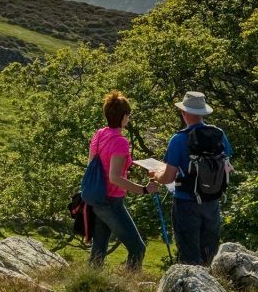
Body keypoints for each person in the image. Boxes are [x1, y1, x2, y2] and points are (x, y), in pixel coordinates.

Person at [149, 91, 233, 265]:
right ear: (203, 113)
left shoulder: (178, 139)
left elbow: (168, 177)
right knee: (209, 252)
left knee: (189, 254)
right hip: (211, 201)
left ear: (184, 113)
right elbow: (227, 166)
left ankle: (192, 287)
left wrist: (156, 174)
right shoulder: (218, 134)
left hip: (186, 202)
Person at [86, 90, 159, 268]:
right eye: (128, 115)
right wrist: (144, 189)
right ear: (124, 116)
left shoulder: (99, 134)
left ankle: (90, 284)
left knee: (98, 250)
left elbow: (93, 165)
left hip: (96, 198)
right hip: (112, 201)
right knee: (138, 248)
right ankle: (131, 286)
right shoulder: (120, 141)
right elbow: (114, 178)